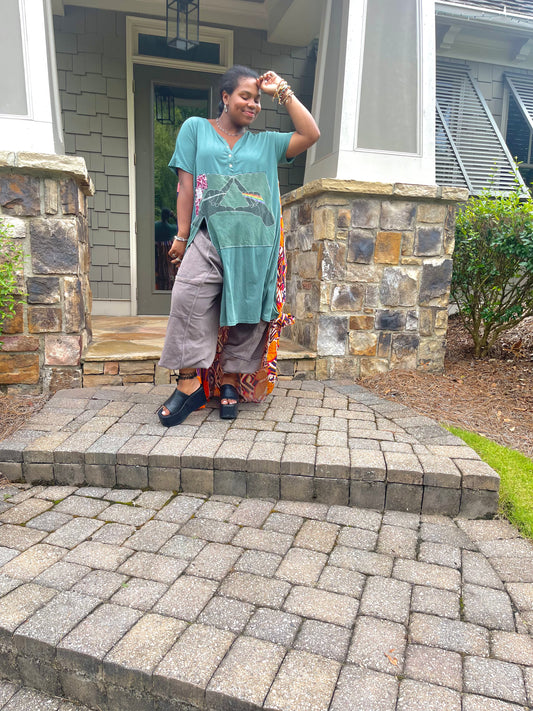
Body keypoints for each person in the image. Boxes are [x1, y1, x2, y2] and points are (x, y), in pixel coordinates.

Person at [157, 65, 320, 427]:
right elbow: (186, 186)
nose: (253, 104)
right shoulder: (196, 129)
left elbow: (311, 133)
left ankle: (231, 379)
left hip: (258, 243)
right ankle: (188, 383)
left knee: (249, 314)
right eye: (245, 96)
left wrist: (282, 91)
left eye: (258, 100)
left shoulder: (267, 143)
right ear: (225, 97)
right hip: (210, 235)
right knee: (187, 298)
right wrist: (182, 236)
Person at [154, 207, 178, 290]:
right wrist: (174, 216)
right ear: (168, 217)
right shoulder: (171, 228)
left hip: (157, 255)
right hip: (167, 256)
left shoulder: (155, 226)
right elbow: (180, 226)